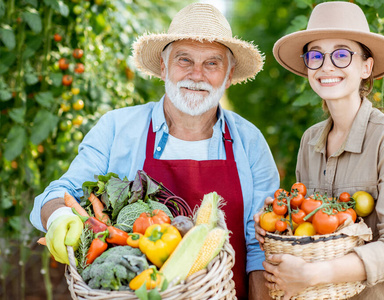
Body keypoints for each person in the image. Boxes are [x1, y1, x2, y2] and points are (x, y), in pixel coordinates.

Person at [30, 3, 279, 299]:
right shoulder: (116, 128)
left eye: (212, 63)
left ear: (228, 75)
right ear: (163, 66)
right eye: (184, 60)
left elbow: (260, 247)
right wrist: (58, 216)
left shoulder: (249, 141)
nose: (197, 74)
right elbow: (59, 192)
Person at [254, 2, 384, 299]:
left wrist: (313, 275)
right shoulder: (310, 143)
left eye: (342, 54)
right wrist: (277, 225)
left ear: (366, 67)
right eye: (316, 55)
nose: (327, 66)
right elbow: (311, 227)